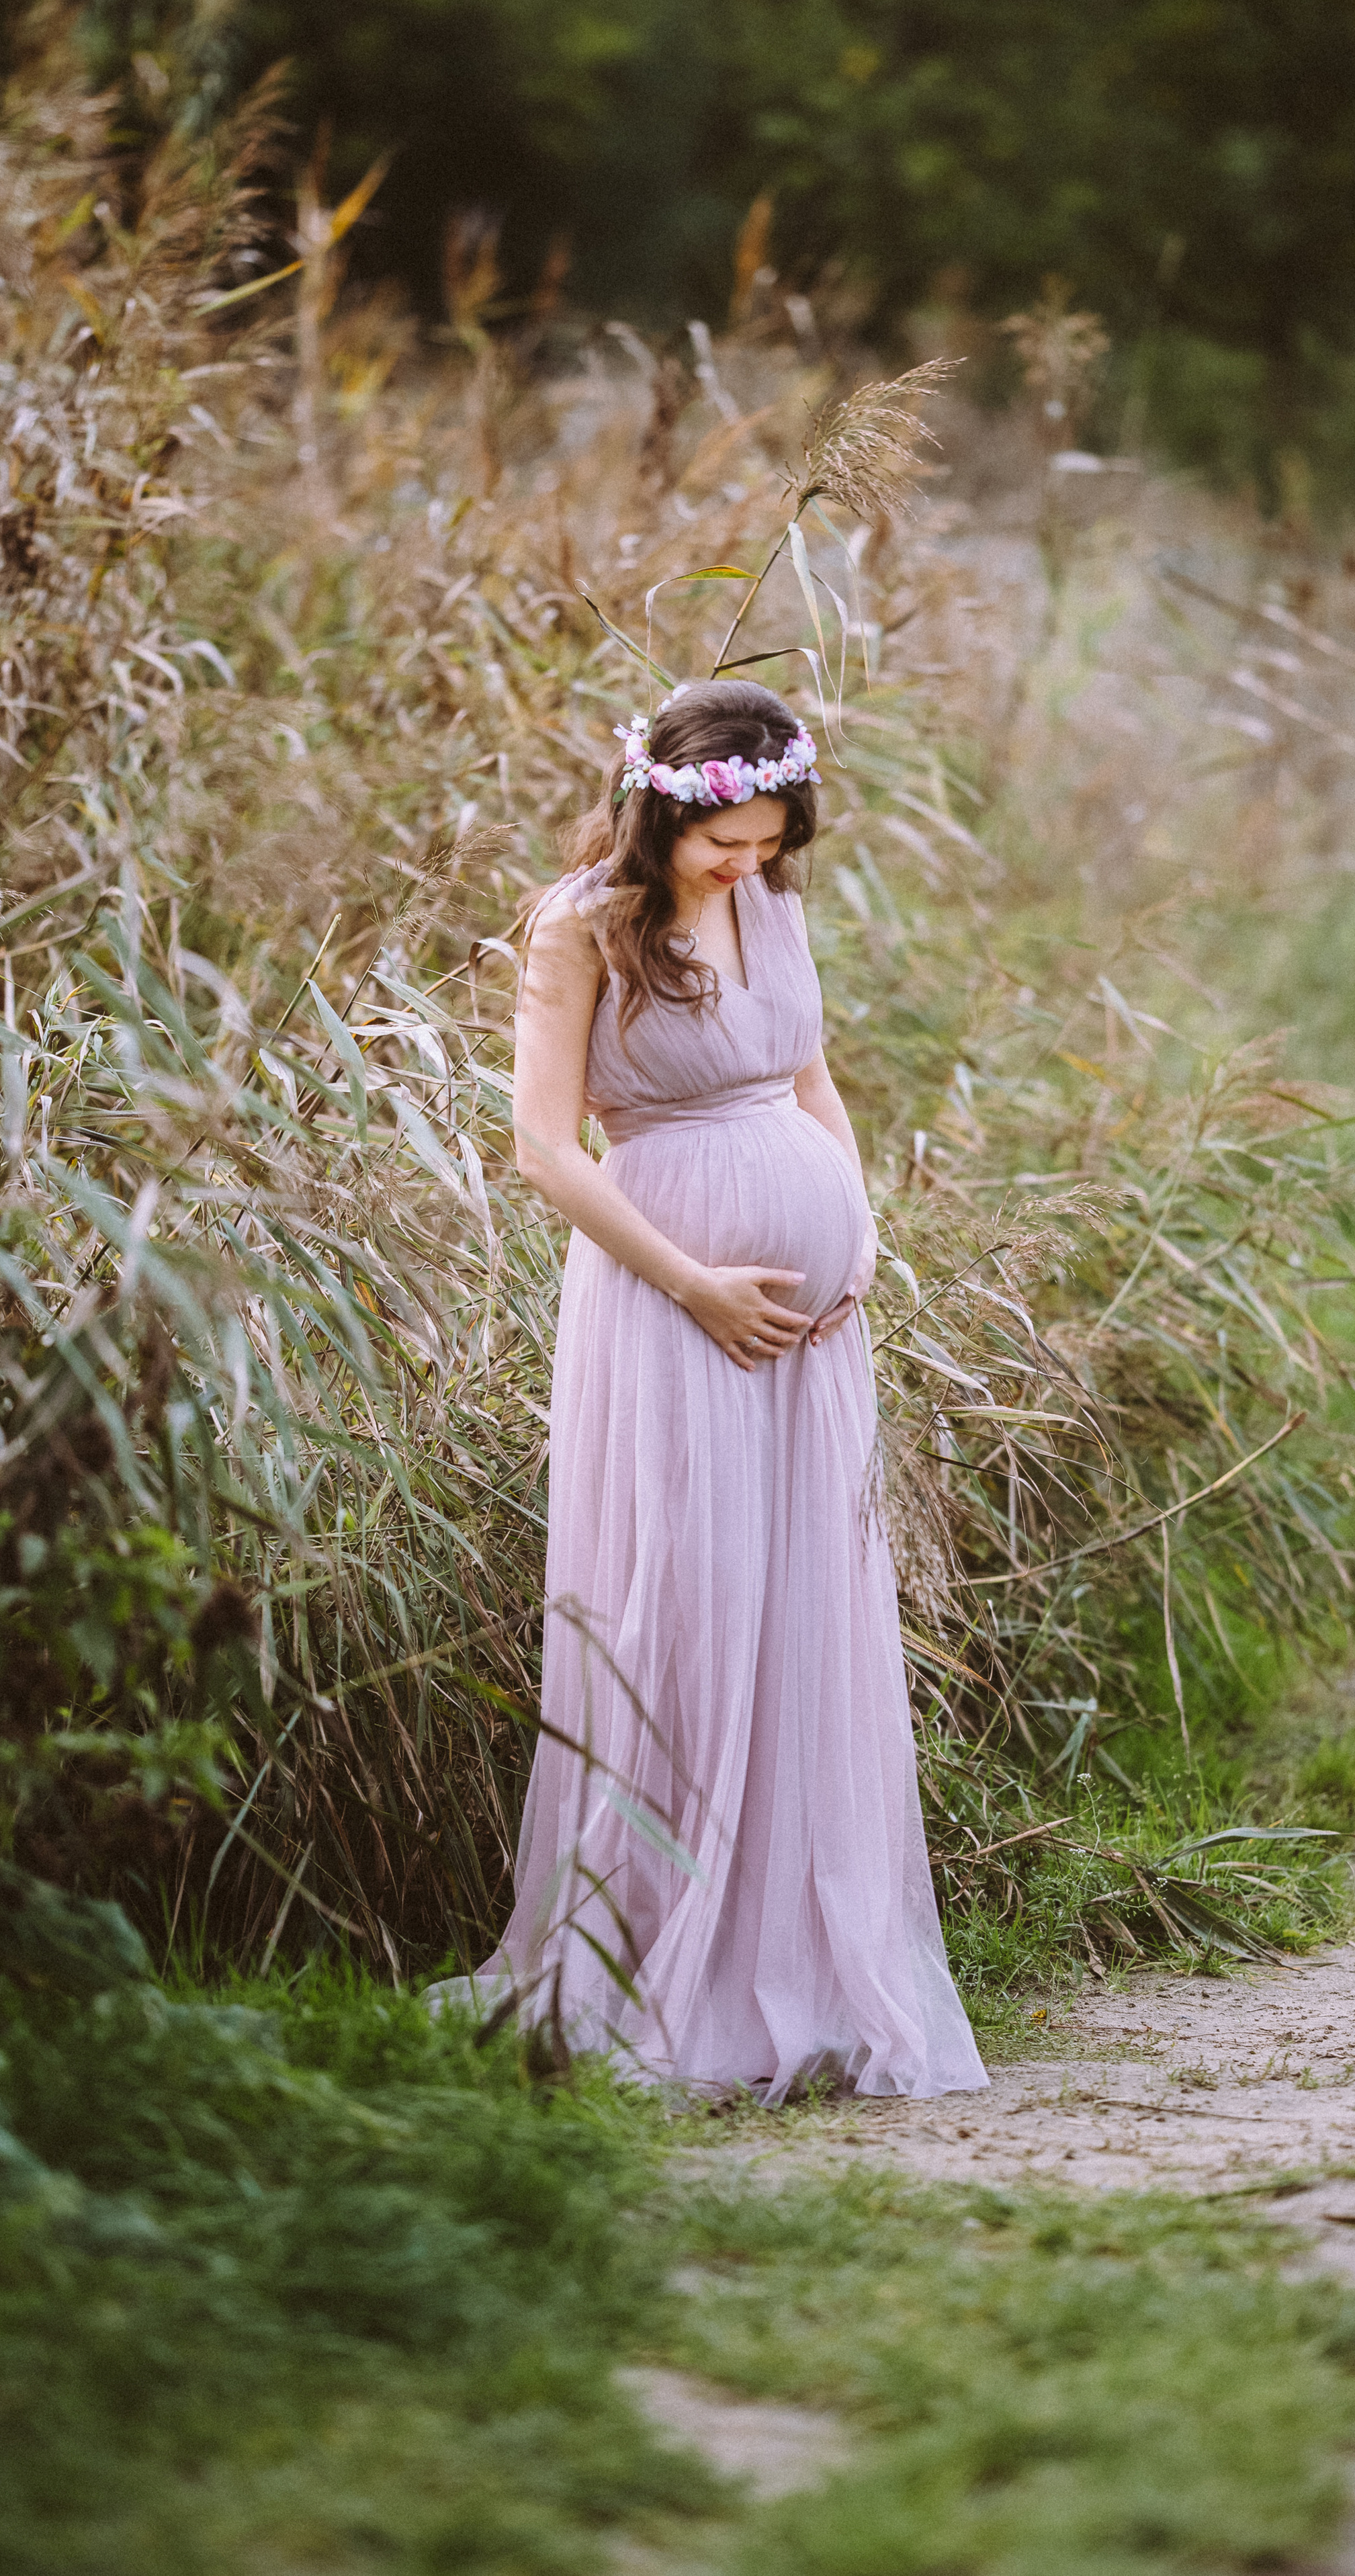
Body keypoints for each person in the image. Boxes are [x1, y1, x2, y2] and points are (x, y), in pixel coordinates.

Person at [462, 677, 986, 2104]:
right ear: (657, 816)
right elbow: (544, 1149)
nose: (747, 868)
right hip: (668, 1306)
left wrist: (857, 1233)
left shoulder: (774, 906)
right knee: (687, 1598)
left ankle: (801, 1944)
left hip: (812, 1330)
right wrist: (695, 1282)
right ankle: (663, 1948)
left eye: (768, 845)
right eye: (723, 844)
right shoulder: (579, 927)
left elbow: (811, 1084)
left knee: (802, 1598)